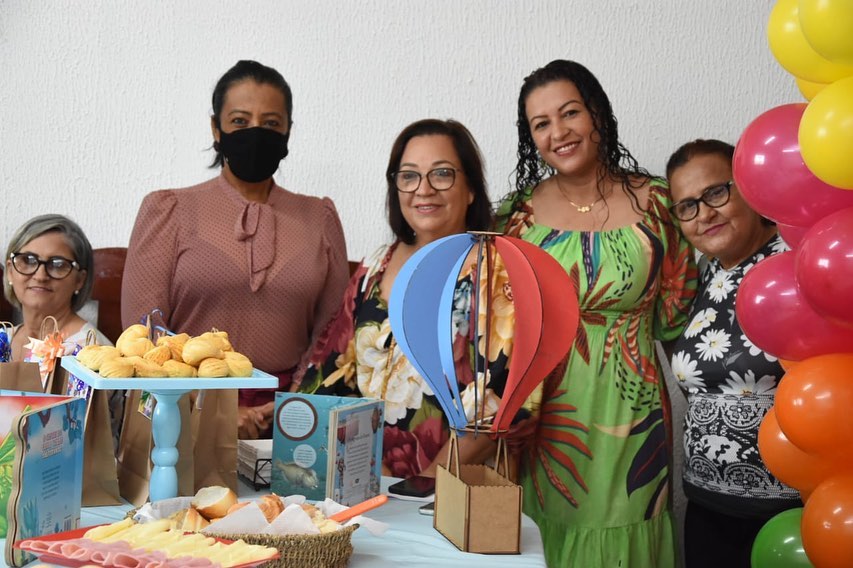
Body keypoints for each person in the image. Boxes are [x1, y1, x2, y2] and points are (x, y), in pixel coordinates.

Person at [494, 60, 697, 567]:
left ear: (598, 115)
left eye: (570, 113)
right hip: (543, 419)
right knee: (539, 534)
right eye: (541, 124)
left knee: (625, 529)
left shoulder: (659, 205)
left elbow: (676, 323)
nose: (558, 132)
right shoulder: (515, 217)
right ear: (531, 138)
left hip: (632, 415)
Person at [121, 60, 349, 486]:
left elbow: (331, 334)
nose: (256, 132)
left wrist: (289, 408)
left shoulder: (319, 218)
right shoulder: (169, 210)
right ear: (216, 128)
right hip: (182, 423)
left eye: (271, 123)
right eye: (240, 121)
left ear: (288, 131)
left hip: (291, 429)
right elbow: (143, 336)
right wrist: (216, 409)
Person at [293, 118, 500, 478]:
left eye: (442, 174)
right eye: (409, 176)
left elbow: (499, 403)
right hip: (366, 481)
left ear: (470, 189)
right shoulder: (376, 266)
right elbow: (331, 375)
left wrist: (424, 486)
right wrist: (370, 470)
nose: (424, 189)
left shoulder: (496, 275)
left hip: (455, 488)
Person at [666, 139, 799, 568]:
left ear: (749, 188)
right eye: (687, 206)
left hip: (792, 512)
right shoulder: (702, 275)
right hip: (708, 508)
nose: (704, 214)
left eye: (715, 193)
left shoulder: (798, 260)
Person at [3, 214, 121, 441]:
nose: (40, 275)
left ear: (79, 280)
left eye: (58, 265)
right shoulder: (4, 339)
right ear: (10, 271)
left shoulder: (93, 353)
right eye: (27, 260)